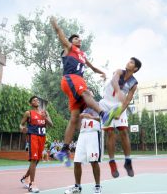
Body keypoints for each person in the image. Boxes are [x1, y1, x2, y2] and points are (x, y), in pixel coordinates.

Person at [50, 17, 120, 162]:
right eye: (76, 38)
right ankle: (103, 114)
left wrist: (101, 72)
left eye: (79, 39)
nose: (79, 40)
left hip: (78, 80)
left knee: (75, 117)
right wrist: (56, 25)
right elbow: (60, 34)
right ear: (71, 41)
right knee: (87, 93)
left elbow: (92, 67)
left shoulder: (83, 55)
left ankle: (64, 149)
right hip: (70, 78)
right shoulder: (69, 48)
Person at [102, 57, 142, 178]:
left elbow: (128, 100)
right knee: (110, 134)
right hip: (106, 104)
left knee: (124, 131)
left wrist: (120, 111)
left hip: (119, 105)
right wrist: (119, 91)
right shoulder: (119, 71)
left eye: (131, 62)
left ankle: (128, 162)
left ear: (135, 68)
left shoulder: (134, 84)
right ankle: (112, 162)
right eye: (128, 60)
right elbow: (114, 81)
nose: (128, 62)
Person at [64, 107, 103, 194]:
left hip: (93, 134)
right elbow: (77, 127)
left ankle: (97, 186)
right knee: (77, 161)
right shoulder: (80, 109)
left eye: (90, 92)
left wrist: (90, 117)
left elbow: (105, 119)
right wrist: (79, 117)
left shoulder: (98, 106)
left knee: (94, 161)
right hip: (82, 135)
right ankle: (77, 187)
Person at [19, 96, 53, 193]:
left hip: (42, 137)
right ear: (31, 103)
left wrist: (46, 117)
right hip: (33, 136)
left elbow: (51, 124)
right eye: (34, 100)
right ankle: (32, 184)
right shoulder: (28, 113)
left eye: (37, 100)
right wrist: (22, 128)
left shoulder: (44, 112)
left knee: (37, 160)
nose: (36, 101)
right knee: (34, 159)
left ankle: (25, 177)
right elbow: (21, 124)